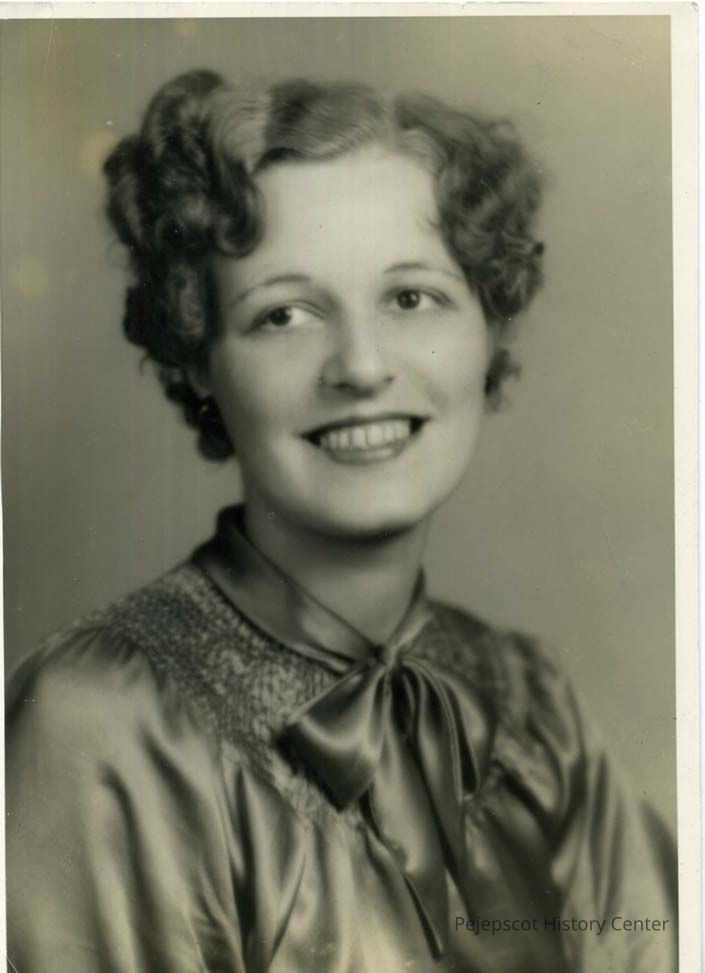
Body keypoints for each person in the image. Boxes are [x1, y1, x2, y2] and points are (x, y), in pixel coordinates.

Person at [6, 69, 676, 973]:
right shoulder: (104, 724)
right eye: (284, 314)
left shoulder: (531, 703)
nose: (360, 366)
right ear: (199, 355)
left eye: (410, 297)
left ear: (487, 328)